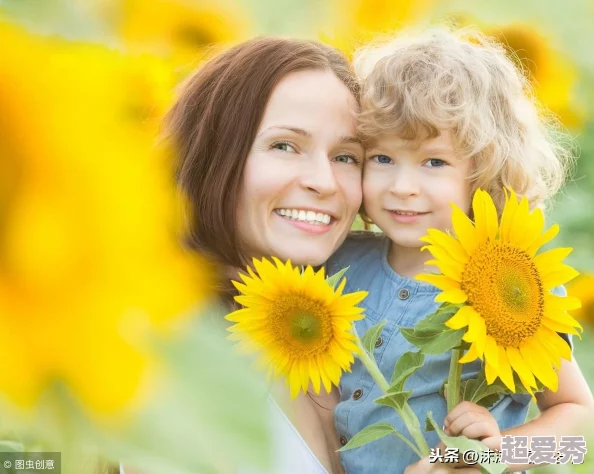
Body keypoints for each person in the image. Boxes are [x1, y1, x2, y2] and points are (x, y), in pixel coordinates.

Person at [326, 26, 594, 474]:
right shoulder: (340, 262)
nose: (402, 187)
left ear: (485, 171)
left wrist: (484, 454)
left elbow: (577, 435)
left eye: (434, 162)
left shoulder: (517, 292)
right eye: (383, 158)